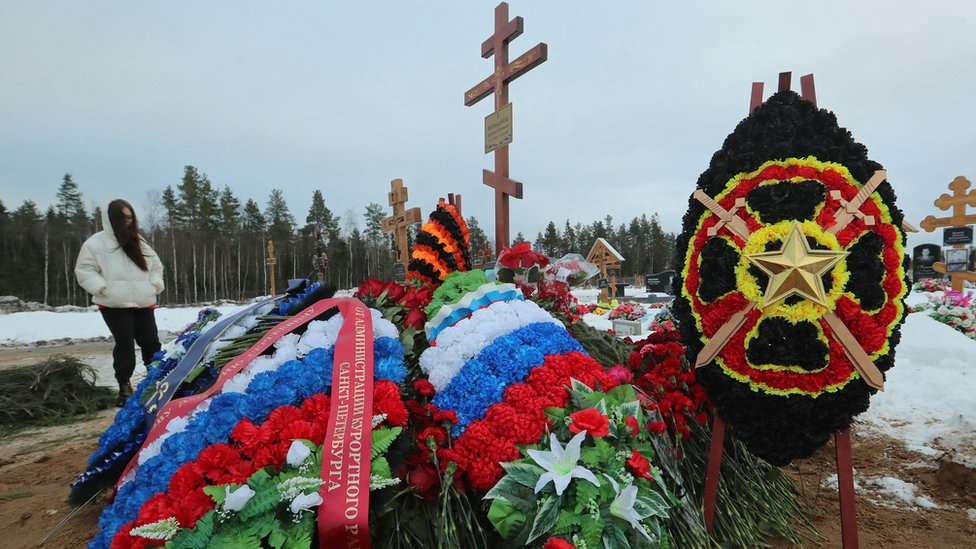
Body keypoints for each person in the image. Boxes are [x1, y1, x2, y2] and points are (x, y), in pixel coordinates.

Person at [75, 199, 164, 405]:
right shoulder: (95, 244)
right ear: (111, 219)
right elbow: (84, 270)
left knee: (151, 342)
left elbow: (156, 266)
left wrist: (154, 284)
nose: (127, 221)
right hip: (114, 305)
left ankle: (157, 381)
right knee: (125, 344)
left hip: (143, 303)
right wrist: (101, 288)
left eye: (130, 217)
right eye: (123, 217)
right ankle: (124, 386)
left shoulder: (139, 241)